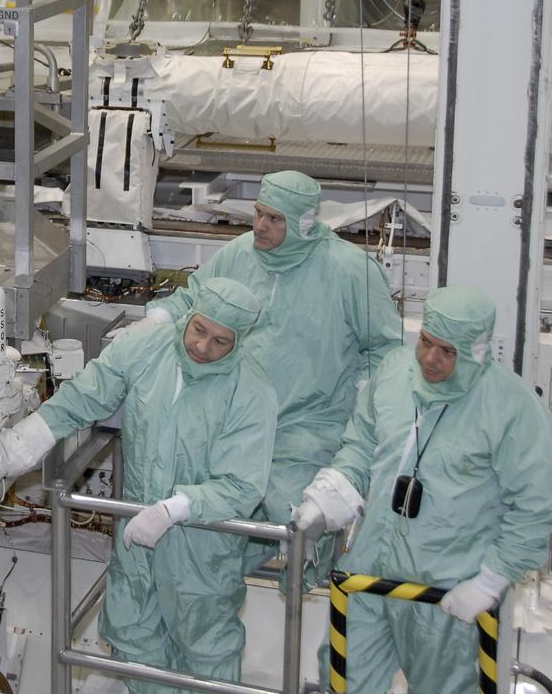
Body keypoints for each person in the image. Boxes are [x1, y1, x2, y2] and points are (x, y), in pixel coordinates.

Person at [0, 277, 277, 694]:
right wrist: (13, 449)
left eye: (221, 341)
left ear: (240, 341)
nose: (204, 347)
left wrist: (174, 510)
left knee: (204, 657)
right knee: (134, 638)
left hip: (201, 553)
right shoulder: (147, 348)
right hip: (137, 539)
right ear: (188, 316)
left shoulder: (251, 392)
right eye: (199, 330)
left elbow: (243, 486)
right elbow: (83, 397)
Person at [292, 286, 552, 694]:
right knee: (342, 686)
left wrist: (491, 580)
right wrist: (328, 498)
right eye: (425, 342)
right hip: (368, 575)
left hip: (446, 589)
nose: (430, 359)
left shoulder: (511, 408)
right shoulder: (395, 373)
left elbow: (536, 506)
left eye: (447, 351)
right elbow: (361, 445)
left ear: (475, 352)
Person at [143, 170, 401, 577]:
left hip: (307, 426)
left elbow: (387, 348)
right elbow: (197, 299)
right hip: (235, 420)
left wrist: (365, 395)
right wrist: (157, 320)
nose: (260, 226)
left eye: (275, 219)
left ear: (304, 222)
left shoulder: (351, 271)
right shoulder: (240, 254)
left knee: (298, 528)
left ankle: (300, 598)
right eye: (259, 213)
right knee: (205, 534)